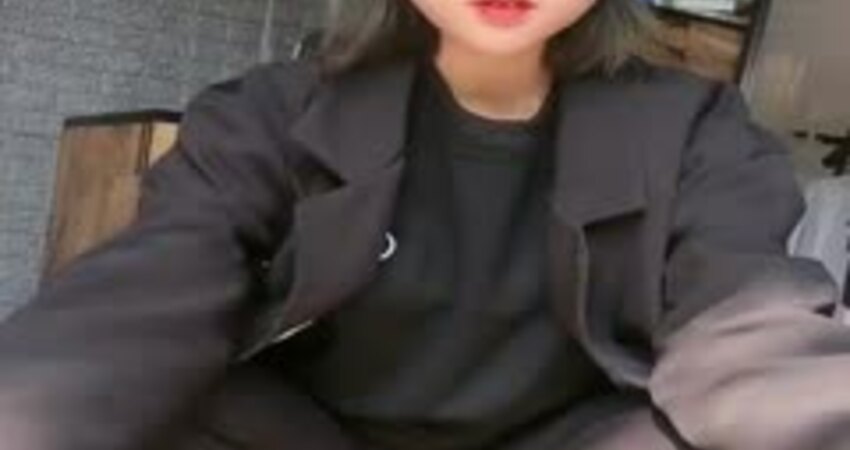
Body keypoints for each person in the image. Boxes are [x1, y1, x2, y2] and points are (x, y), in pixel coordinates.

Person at [0, 0, 846, 449]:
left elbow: (748, 332)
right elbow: (139, 304)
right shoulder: (271, 113)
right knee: (156, 400)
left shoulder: (697, 130)